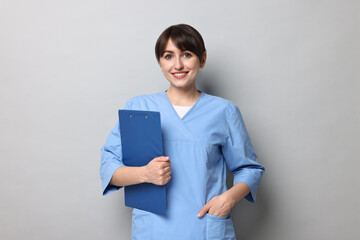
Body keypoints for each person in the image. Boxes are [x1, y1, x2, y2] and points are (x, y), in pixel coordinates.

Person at [100, 24, 265, 240]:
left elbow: (250, 169)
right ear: (160, 62)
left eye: (186, 54)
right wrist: (145, 174)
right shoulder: (139, 108)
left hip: (204, 228)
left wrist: (228, 199)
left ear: (202, 59)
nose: (178, 65)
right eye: (168, 56)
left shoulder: (223, 111)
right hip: (153, 229)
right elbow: (109, 166)